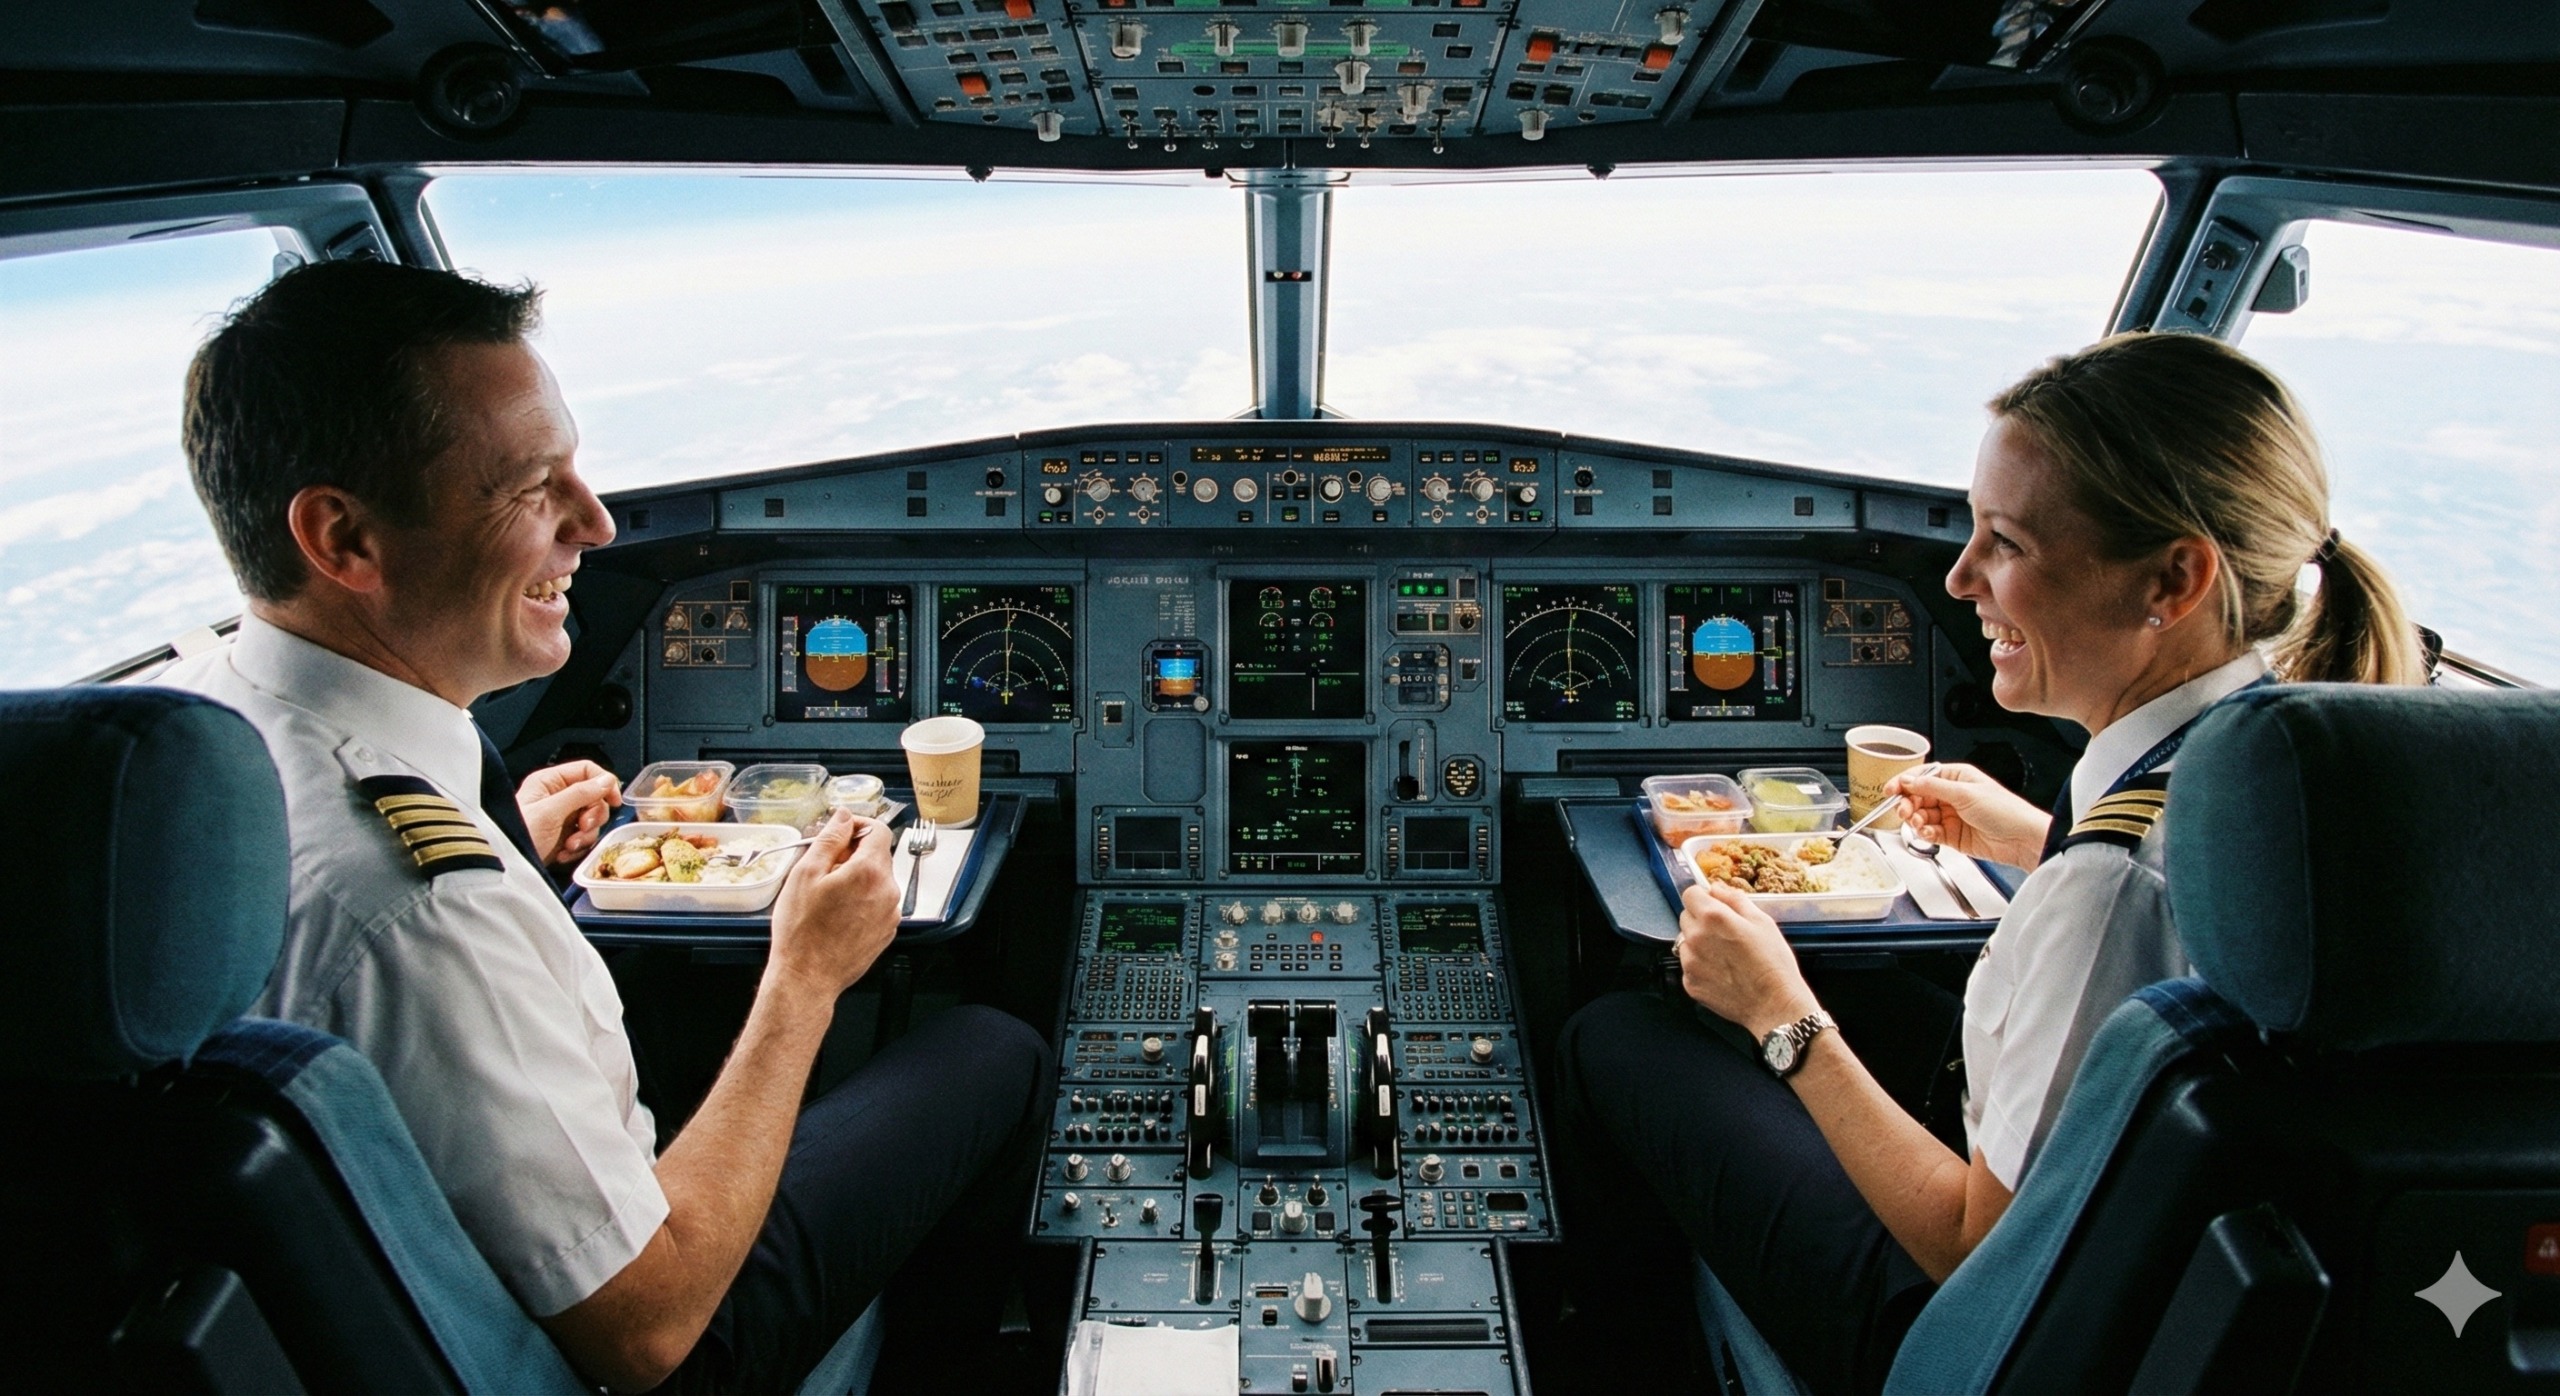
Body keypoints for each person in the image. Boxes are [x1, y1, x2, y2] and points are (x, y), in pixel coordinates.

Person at [162, 259, 1051, 1393]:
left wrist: (507, 841)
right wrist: (805, 981)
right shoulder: (423, 912)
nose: (597, 522)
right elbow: (646, 1330)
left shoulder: (214, 728)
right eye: (532, 488)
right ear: (343, 539)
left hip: (433, 1262)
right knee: (992, 1049)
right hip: (659, 1334)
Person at [1556, 331, 2424, 1394]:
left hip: (1973, 1326)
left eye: (2005, 542)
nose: (1959, 577)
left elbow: (1976, 1249)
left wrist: (1782, 1017)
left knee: (1622, 1030)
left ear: (2174, 578)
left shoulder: (2107, 891)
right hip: (2162, 1291)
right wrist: (2036, 837)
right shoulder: (2281, 774)